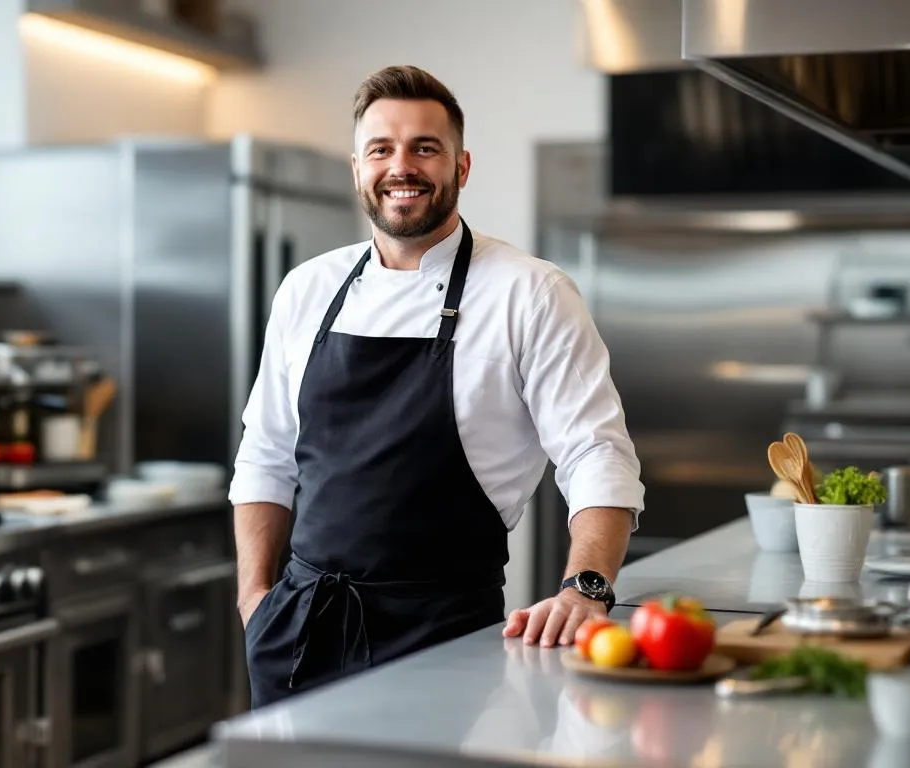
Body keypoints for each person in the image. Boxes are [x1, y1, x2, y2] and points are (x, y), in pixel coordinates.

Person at [229, 64, 645, 708]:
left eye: (425, 147)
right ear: (358, 167)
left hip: (449, 637)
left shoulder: (529, 292)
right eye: (381, 149)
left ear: (462, 166)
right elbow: (266, 455)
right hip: (298, 632)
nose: (403, 166)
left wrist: (585, 588)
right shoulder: (307, 289)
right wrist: (254, 598)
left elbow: (597, 454)